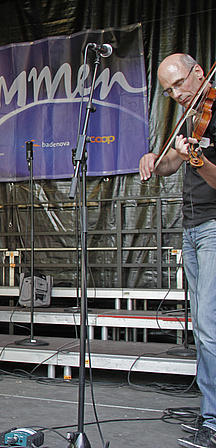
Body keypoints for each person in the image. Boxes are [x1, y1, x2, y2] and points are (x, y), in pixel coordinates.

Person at [139, 53, 216, 448]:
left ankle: (214, 420)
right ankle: (209, 412)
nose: (176, 94)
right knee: (204, 329)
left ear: (198, 73)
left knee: (208, 325)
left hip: (213, 227)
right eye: (168, 90)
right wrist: (157, 157)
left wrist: (197, 159)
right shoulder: (193, 113)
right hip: (193, 227)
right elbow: (173, 161)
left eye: (179, 84)